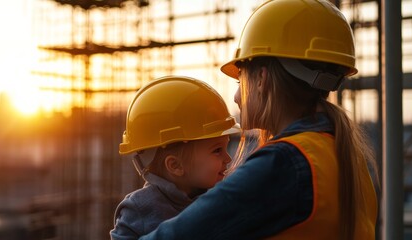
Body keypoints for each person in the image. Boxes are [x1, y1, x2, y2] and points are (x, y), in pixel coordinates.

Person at [139, 0, 378, 239]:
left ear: (262, 79)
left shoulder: (284, 165)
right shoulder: (345, 155)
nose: (236, 97)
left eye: (240, 81)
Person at [109, 76, 241, 240]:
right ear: (175, 166)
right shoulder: (140, 208)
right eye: (217, 150)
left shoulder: (218, 199)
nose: (228, 158)